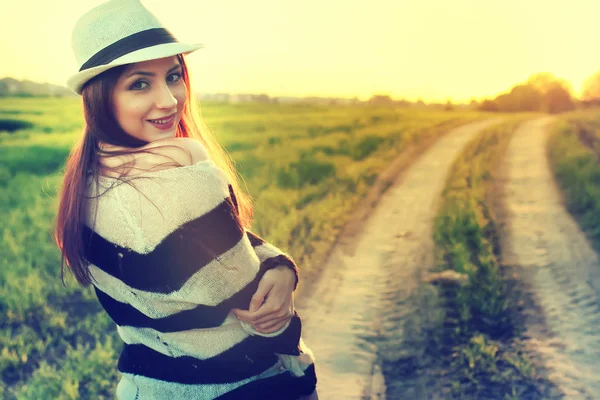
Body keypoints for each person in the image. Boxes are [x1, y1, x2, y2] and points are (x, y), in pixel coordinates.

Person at [53, 1, 318, 399]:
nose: (169, 100)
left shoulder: (89, 181)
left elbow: (233, 243)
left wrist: (280, 266)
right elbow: (260, 315)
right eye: (139, 83)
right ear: (100, 97)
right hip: (238, 387)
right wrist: (195, 158)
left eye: (173, 76)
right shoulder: (177, 181)